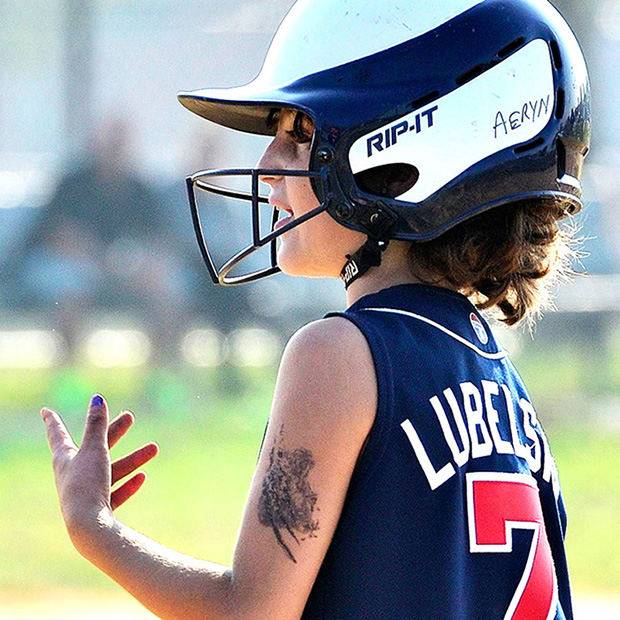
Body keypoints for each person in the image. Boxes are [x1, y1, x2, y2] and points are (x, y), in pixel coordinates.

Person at [41, 1, 590, 619]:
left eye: (300, 136)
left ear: (399, 158)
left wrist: (93, 529)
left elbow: (251, 612)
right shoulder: (502, 381)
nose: (269, 166)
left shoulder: (336, 356)